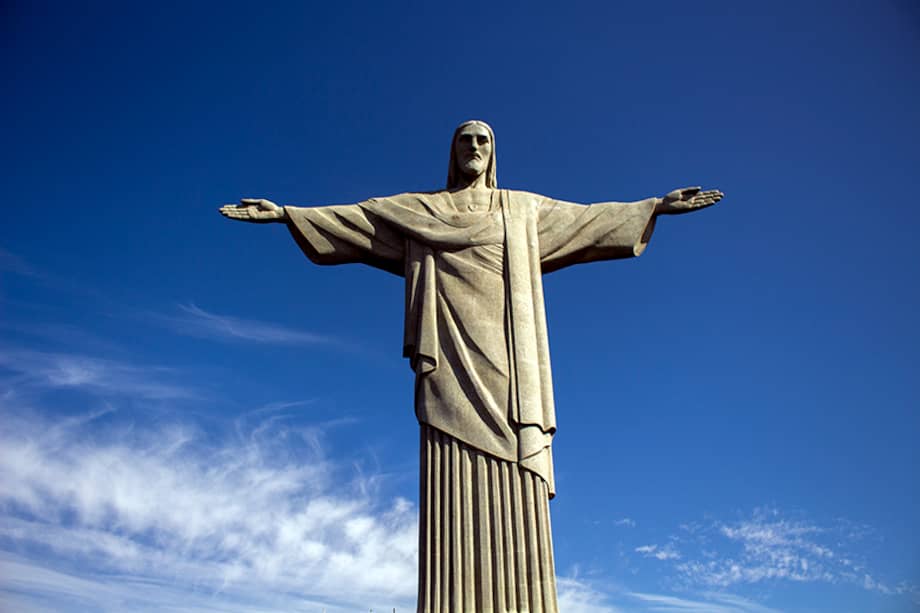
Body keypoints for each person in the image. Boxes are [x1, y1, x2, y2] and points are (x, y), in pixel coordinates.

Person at [220, 120, 722, 613]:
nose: (474, 147)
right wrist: (287, 214)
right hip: (447, 362)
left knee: (516, 469)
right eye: (465, 140)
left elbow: (588, 219)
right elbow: (359, 220)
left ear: (493, 151)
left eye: (483, 140)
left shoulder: (522, 209)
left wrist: (654, 206)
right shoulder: (423, 211)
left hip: (511, 360)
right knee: (450, 468)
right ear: (452, 151)